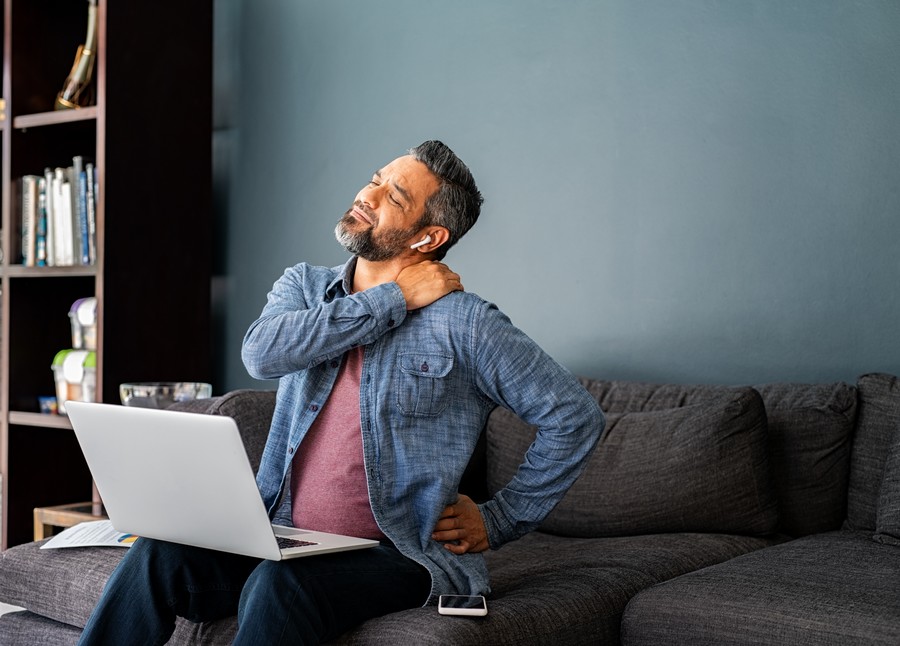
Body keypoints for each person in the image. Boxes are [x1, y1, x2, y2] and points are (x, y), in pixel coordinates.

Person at [78, 140, 604, 645]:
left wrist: (501, 518)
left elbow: (574, 416)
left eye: (393, 196)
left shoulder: (464, 323)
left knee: (280, 584)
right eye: (375, 180)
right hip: (278, 535)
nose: (367, 196)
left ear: (428, 238)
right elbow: (261, 354)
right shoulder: (304, 287)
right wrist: (392, 300)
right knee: (157, 553)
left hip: (398, 554)